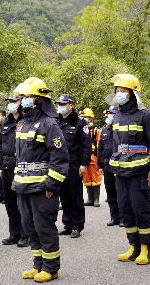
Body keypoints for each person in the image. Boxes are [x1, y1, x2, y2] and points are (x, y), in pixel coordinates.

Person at [12, 78, 68, 282]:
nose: (22, 101)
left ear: (37, 99)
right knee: (30, 228)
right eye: (22, 97)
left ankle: (51, 268)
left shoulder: (49, 124)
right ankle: (38, 265)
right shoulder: (22, 123)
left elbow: (60, 158)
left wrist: (52, 184)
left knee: (44, 228)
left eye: (26, 97)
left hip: (43, 188)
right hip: (23, 187)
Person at [108, 74, 150, 265]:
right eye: (117, 91)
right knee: (125, 209)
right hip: (121, 170)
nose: (119, 94)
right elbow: (116, 144)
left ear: (133, 93)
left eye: (123, 91)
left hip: (140, 171)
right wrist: (115, 165)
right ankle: (133, 246)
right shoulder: (117, 115)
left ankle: (146, 248)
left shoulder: (145, 115)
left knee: (142, 209)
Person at [55, 94, 92, 239]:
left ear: (71, 105)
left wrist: (84, 164)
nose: (61, 107)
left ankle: (77, 225)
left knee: (75, 195)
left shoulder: (80, 122)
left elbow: (86, 145)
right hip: (60, 163)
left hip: (74, 163)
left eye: (64, 104)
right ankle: (68, 224)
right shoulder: (57, 122)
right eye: (59, 104)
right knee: (64, 195)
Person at [0, 94, 29, 247]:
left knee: (22, 203)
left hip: (22, 167)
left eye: (14, 101)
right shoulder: (6, 122)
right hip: (7, 167)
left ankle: (25, 234)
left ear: (21, 103)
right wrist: (0, 166)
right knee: (10, 202)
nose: (11, 104)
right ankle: (14, 233)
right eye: (9, 102)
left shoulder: (27, 120)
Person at [98, 107, 122, 226]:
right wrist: (100, 165)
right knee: (110, 192)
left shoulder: (121, 130)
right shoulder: (105, 130)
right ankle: (114, 217)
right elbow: (100, 149)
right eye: (109, 114)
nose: (109, 116)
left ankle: (123, 217)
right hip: (107, 164)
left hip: (118, 165)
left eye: (112, 114)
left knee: (120, 192)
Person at [80, 108, 103, 207]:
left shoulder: (96, 130)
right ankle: (90, 199)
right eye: (83, 117)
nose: (84, 119)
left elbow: (99, 145)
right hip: (84, 159)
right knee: (87, 179)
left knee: (96, 178)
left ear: (90, 118)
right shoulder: (80, 129)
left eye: (86, 117)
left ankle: (96, 199)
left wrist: (99, 160)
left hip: (94, 159)